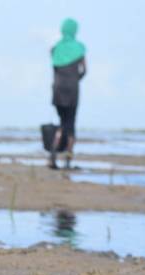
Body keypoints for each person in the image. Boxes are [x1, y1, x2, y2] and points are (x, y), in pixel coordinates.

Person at [49, 18, 87, 170]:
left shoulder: (55, 48)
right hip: (72, 91)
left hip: (57, 90)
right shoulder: (79, 49)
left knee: (62, 122)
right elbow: (84, 70)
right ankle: (68, 159)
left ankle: (52, 155)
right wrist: (75, 79)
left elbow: (55, 69)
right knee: (70, 125)